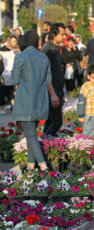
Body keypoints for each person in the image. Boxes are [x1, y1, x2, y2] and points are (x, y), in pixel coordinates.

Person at [10, 30, 59, 171]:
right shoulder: (44, 58)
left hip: (25, 101)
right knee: (32, 134)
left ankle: (44, 167)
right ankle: (31, 167)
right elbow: (48, 80)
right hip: (40, 101)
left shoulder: (20, 57)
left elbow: (14, 79)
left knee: (30, 135)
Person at [42, 22, 66, 136]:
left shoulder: (55, 49)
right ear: (53, 34)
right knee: (57, 121)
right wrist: (53, 95)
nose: (64, 37)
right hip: (52, 91)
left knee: (51, 121)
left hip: (57, 90)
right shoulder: (48, 50)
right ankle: (45, 143)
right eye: (62, 34)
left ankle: (44, 143)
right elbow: (46, 74)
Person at [0, 35, 19, 113]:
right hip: (4, 73)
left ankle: (12, 104)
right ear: (9, 41)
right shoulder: (3, 51)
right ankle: (2, 106)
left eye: (15, 41)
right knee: (3, 90)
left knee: (12, 90)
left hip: (13, 73)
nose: (13, 43)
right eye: (12, 41)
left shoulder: (17, 51)